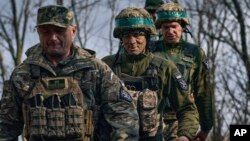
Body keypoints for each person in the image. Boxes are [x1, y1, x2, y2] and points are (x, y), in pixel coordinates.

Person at [0, 5, 139, 141]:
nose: (53, 37)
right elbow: (5, 126)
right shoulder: (23, 74)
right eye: (46, 31)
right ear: (38, 32)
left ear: (73, 31)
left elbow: (124, 116)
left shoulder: (95, 69)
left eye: (59, 30)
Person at [102, 7, 199, 141]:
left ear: (147, 36)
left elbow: (187, 108)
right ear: (121, 38)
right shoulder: (106, 66)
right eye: (127, 36)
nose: (132, 41)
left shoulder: (165, 68)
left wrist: (184, 136)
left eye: (137, 35)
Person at [151, 3, 214, 141]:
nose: (170, 31)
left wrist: (206, 126)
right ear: (160, 28)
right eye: (166, 27)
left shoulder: (195, 53)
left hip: (182, 119)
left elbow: (203, 91)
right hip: (151, 118)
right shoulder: (150, 50)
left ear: (182, 27)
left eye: (174, 26)